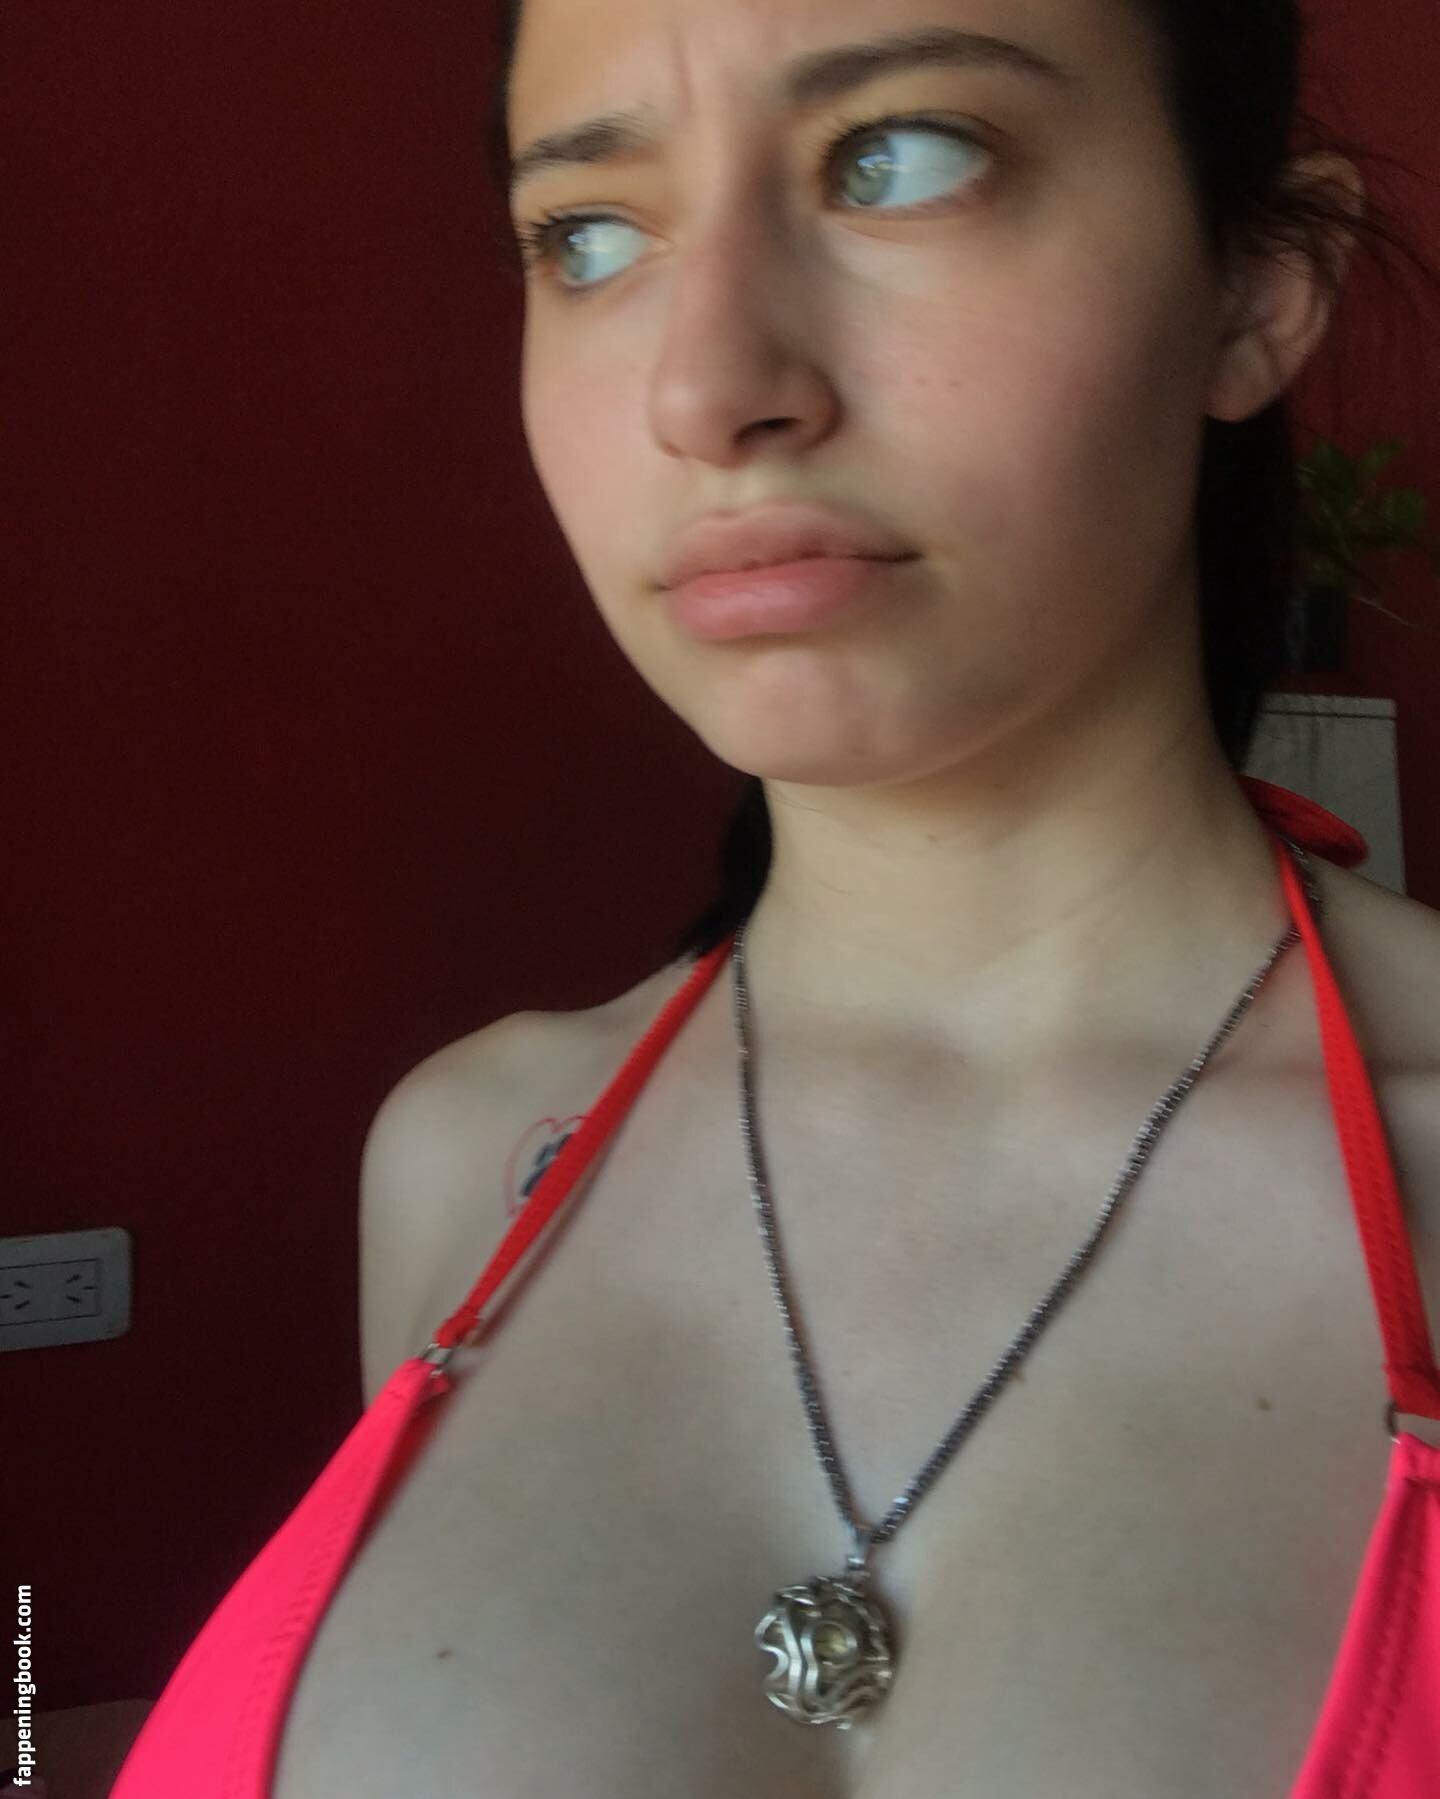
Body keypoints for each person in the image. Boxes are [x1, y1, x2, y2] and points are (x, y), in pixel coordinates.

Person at [112, 2, 1440, 1795]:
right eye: (590, 234)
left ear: (1260, 287)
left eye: (902, 157)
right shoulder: (469, 1164)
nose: (707, 387)